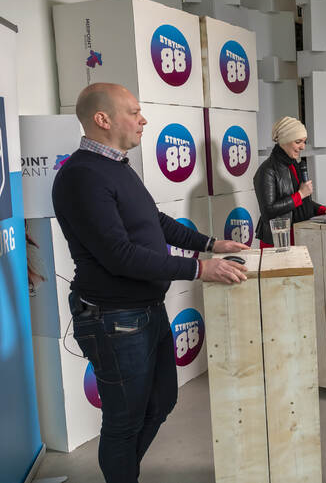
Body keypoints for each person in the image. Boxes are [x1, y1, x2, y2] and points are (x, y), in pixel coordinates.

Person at [52, 83, 249, 483]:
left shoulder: (117, 166)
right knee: (124, 421)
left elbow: (155, 222)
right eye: (134, 112)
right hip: (114, 318)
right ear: (103, 119)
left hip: (144, 310)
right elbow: (119, 255)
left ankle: (124, 472)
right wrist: (200, 269)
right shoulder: (81, 176)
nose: (143, 120)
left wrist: (211, 244)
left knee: (161, 401)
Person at [254, 117, 326, 247]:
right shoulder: (267, 170)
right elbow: (268, 211)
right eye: (298, 142)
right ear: (284, 141)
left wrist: (325, 211)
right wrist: (301, 194)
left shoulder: (293, 165)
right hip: (277, 241)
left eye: (303, 142)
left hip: (300, 234)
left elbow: (301, 204)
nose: (302, 147)